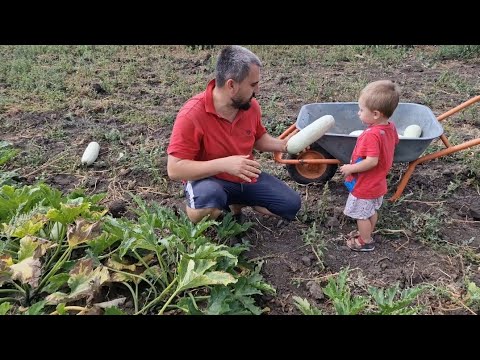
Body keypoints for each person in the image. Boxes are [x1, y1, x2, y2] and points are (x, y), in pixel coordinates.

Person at [167, 45, 301, 225]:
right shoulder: (191, 114)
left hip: (244, 176)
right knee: (204, 208)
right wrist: (225, 165)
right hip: (208, 180)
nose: (258, 91)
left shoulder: (250, 106)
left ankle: (236, 201)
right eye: (253, 84)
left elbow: (258, 138)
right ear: (231, 85)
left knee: (290, 205)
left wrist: (284, 145)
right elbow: (174, 169)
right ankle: (212, 206)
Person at [339, 80, 400, 252]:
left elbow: (372, 161)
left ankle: (365, 241)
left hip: (366, 183)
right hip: (377, 182)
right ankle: (367, 233)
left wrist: (350, 168)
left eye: (361, 110)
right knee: (371, 210)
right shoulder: (390, 127)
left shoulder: (371, 135)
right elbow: (395, 142)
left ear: (375, 114)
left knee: (361, 214)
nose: (358, 113)